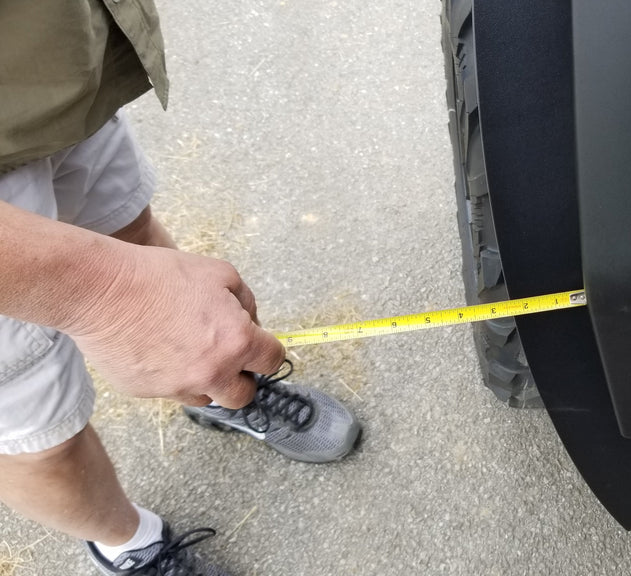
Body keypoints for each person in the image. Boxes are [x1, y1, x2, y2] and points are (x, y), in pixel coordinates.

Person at [0, 2, 361, 575]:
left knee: (138, 240)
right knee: (38, 436)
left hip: (60, 89)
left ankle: (219, 395)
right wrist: (103, 294)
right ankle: (129, 544)